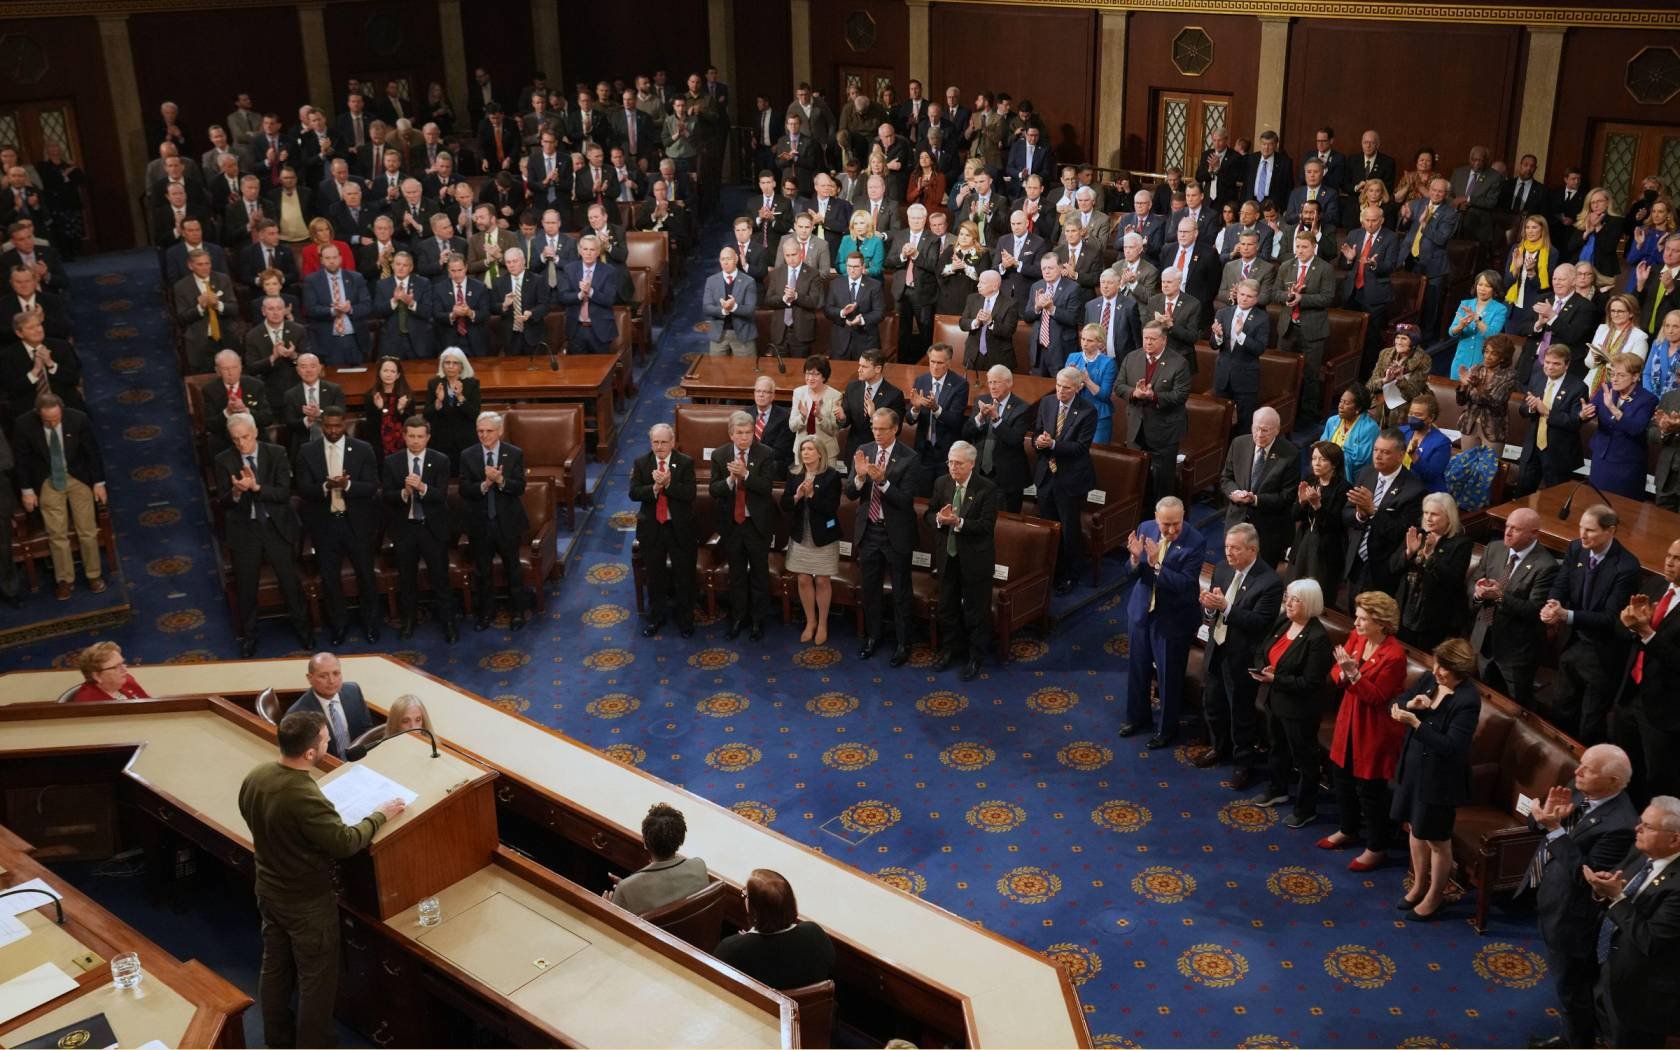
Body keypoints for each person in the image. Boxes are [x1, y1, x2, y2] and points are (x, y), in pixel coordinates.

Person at [238, 711, 403, 1049]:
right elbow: (344, 843)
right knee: (317, 982)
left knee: (276, 969)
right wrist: (379, 815)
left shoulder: (258, 775)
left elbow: (250, 813)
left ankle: (277, 1040)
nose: (329, 742)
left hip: (269, 890)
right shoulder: (302, 793)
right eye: (325, 739)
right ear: (311, 753)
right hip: (307, 905)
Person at [1522, 745, 1638, 1050]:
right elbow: (1540, 826)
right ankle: (1570, 1036)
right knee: (1567, 988)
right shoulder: (1579, 787)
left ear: (1613, 782)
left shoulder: (1622, 826)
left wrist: (1555, 829)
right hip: (1549, 897)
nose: (1577, 773)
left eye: (1587, 769)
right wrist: (1543, 820)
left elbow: (1584, 877)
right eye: (1580, 765)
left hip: (1573, 919)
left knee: (1572, 990)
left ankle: (1579, 1043)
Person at [1389, 638, 1483, 921]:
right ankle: (1419, 885)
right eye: (1437, 663)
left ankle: (1435, 895)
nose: (1436, 670)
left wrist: (1417, 723)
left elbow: (1452, 747)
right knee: (1415, 830)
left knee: (1437, 840)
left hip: (1440, 780)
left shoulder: (1468, 700)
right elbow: (1398, 700)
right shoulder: (1430, 679)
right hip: (1414, 770)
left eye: (1444, 667)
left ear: (1461, 671)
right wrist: (1409, 704)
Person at [1320, 591, 1409, 872]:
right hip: (1348, 719)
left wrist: (1354, 674)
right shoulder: (1357, 638)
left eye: (1362, 619)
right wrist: (1345, 673)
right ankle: (1347, 829)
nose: (1356, 624)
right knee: (1342, 778)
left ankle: (1376, 847)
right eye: (1356, 617)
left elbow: (1377, 696)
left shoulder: (1394, 655)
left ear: (1381, 623)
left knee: (1370, 790)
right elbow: (1336, 673)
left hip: (1374, 728)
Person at [1584, 796, 1680, 1048]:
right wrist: (1604, 889)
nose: (1637, 828)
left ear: (1674, 839)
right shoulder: (1643, 852)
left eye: (1647, 826)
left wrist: (1615, 897)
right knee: (1602, 1020)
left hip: (1641, 993)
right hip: (1610, 962)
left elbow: (1651, 941)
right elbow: (1621, 887)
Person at [1542, 505, 1642, 745]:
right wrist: (1552, 603)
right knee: (1561, 707)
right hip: (1572, 645)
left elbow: (1610, 618)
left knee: (1590, 722)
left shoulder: (1627, 567)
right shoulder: (1576, 548)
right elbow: (1561, 583)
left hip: (1602, 654)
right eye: (1581, 528)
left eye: (1590, 530)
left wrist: (1565, 615)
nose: (1583, 535)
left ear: (1611, 531)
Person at [1194, 524, 1283, 788]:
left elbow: (1259, 622)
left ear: (1252, 550)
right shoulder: (1221, 568)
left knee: (1240, 715)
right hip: (1216, 650)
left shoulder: (1270, 582)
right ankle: (1218, 748)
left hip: (1242, 658)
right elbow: (1211, 613)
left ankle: (1243, 764)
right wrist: (1210, 609)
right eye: (1226, 547)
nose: (1229, 553)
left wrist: (1226, 607)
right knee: (1213, 705)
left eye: (1235, 548)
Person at [1117, 497, 1207, 748]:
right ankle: (1137, 719)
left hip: (1172, 618)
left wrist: (1157, 565)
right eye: (1166, 524)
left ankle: (1167, 729)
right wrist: (1135, 560)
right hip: (1141, 612)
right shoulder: (1145, 529)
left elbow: (1186, 585)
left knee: (1169, 676)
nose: (1171, 530)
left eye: (1176, 524)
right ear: (1156, 518)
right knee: (1138, 668)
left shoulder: (1195, 541)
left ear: (1183, 517)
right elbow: (1131, 573)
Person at [1250, 579, 1335, 827]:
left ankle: (1306, 808)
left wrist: (1276, 677)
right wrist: (1262, 667)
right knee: (1277, 746)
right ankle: (1278, 789)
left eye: (1295, 599)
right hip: (1275, 700)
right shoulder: (1284, 621)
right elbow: (1263, 648)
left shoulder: (1317, 638)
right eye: (1288, 597)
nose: (1287, 602)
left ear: (1309, 603)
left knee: (1305, 758)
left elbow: (1310, 683)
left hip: (1300, 708)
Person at [294, 406, 380, 646]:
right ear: (322, 425)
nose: (333, 430)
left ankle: (371, 624)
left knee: (365, 575)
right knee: (330, 580)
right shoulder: (307, 451)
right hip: (325, 525)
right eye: (328, 426)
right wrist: (326, 486)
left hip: (357, 525)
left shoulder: (363, 450)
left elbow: (372, 486)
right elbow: (302, 488)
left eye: (337, 425)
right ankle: (339, 626)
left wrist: (347, 486)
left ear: (345, 424)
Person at [1467, 507, 1558, 711]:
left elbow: (1534, 610)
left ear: (1533, 534)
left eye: (1515, 529)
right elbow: (1474, 581)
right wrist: (1478, 592)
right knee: (1479, 698)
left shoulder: (1546, 565)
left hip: (1515, 652)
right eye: (1507, 526)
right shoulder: (1495, 548)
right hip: (1483, 641)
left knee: (1513, 707)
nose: (1507, 532)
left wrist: (1500, 596)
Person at [850, 407, 918, 664]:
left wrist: (882, 482)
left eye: (882, 429)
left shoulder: (909, 457)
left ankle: (903, 642)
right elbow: (850, 493)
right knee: (870, 590)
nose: (876, 434)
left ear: (895, 429)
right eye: (874, 429)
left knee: (901, 591)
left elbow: (905, 500)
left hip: (896, 534)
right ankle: (873, 637)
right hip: (868, 532)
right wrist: (858, 477)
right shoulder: (864, 451)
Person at [382, 416, 458, 644]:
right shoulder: (392, 462)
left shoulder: (441, 460)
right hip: (405, 529)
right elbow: (386, 496)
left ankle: (448, 623)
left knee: (440, 579)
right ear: (404, 436)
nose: (415, 441)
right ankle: (408, 622)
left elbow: (441, 495)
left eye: (420, 437)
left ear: (428, 438)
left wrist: (422, 487)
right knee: (406, 580)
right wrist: (404, 492)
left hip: (431, 529)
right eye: (411, 436)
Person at [926, 441, 997, 680]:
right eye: (950, 462)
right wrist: (938, 518)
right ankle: (951, 649)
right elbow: (929, 513)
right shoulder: (942, 483)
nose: (953, 467)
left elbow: (986, 526)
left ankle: (976, 657)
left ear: (971, 464)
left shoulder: (986, 488)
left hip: (975, 559)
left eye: (958, 463)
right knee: (947, 608)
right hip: (948, 557)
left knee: (976, 610)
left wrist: (959, 522)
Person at [1621, 539, 1680, 802]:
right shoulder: (1655, 585)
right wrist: (1631, 624)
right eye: (1668, 555)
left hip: (1664, 709)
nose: (1669, 562)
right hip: (1630, 693)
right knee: (1624, 767)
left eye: (1678, 558)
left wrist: (1646, 632)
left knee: (1657, 778)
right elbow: (1629, 631)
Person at [459, 412, 529, 632]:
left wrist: (500, 481)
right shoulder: (467, 455)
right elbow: (464, 489)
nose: (484, 435)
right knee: (483, 572)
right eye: (480, 431)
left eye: (489, 431)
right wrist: (484, 485)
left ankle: (517, 612)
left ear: (499, 431)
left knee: (512, 569)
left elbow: (519, 487)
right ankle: (486, 613)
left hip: (506, 522)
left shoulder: (514, 453)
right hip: (480, 523)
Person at [711, 412, 777, 640]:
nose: (744, 437)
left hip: (756, 525)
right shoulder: (720, 455)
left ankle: (758, 620)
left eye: (748, 433)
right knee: (737, 575)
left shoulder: (765, 453)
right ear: (731, 434)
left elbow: (767, 487)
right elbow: (713, 490)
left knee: (759, 574)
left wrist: (746, 474)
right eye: (739, 433)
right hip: (732, 525)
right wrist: (730, 480)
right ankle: (738, 617)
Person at [1033, 368, 1099, 591]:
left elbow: (1081, 448)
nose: (1061, 391)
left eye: (1067, 387)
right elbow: (1037, 433)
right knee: (1049, 527)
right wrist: (1038, 441)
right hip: (1046, 476)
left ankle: (1071, 575)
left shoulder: (1087, 411)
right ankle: (1052, 570)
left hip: (1070, 479)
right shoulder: (1047, 403)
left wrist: (1052, 444)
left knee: (1069, 530)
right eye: (1059, 385)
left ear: (1078, 388)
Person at [714, 869, 835, 991]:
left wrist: (744, 943)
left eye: (746, 895)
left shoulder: (731, 950)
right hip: (813, 1009)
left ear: (754, 909)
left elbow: (715, 987)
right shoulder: (815, 934)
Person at [1343, 429, 1427, 598]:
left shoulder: (1414, 490)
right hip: (1355, 561)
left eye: (1385, 452)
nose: (1378, 456)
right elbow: (1346, 513)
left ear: (1401, 455)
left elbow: (1400, 532)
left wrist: (1373, 511)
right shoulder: (1366, 474)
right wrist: (1361, 515)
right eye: (1376, 450)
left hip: (1382, 567)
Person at [631, 423, 696, 640]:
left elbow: (689, 493)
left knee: (683, 576)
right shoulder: (642, 463)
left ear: (672, 442)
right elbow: (634, 493)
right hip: (652, 529)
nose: (659, 447)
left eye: (663, 442)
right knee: (655, 576)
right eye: (655, 442)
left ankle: (685, 619)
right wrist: (655, 489)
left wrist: (668, 485)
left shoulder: (684, 463)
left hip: (678, 528)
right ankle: (656, 617)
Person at [780, 436, 842, 646]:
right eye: (803, 449)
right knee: (804, 579)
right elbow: (785, 504)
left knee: (823, 580)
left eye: (810, 449)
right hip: (801, 534)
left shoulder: (831, 476)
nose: (805, 452)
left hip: (824, 535)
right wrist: (797, 497)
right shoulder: (794, 474)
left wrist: (813, 495)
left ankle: (823, 623)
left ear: (820, 453)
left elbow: (831, 508)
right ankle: (811, 621)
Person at [1218, 407, 1299, 567]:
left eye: (1265, 430)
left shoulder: (1290, 454)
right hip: (1237, 521)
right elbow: (1226, 478)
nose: (1259, 435)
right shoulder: (1239, 443)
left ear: (1276, 430)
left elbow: (1287, 496)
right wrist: (1234, 492)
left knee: (1260, 577)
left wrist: (1255, 499)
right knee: (1232, 569)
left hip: (1268, 529)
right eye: (1256, 428)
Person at [1392, 492, 1473, 650]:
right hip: (1404, 610)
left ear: (1449, 517)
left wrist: (1430, 556)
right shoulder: (1417, 534)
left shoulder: (1461, 544)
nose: (1428, 518)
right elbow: (1392, 567)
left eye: (1434, 514)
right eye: (1426, 513)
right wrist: (1408, 552)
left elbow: (1452, 580)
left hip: (1434, 618)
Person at [606, 803, 710, 916]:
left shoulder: (625, 889)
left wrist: (607, 906)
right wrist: (630, 890)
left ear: (645, 843)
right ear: (681, 840)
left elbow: (611, 925)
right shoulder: (699, 866)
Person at [1515, 341, 1588, 496]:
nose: (1549, 367)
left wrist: (1547, 411)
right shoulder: (1537, 378)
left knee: (1554, 499)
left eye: (1556, 364)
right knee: (1521, 493)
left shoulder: (1578, 387)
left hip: (1558, 453)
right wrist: (1531, 407)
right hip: (1532, 449)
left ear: (1566, 365)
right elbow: (1522, 408)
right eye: (1547, 362)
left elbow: (1575, 422)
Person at [1277, 231, 1337, 418]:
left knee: (1310, 374)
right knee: (1284, 372)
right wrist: (1287, 297)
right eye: (1298, 246)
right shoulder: (1286, 266)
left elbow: (1327, 298)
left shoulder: (1325, 269)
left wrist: (1302, 298)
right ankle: (1284, 411)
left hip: (1312, 330)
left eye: (1304, 247)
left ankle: (1308, 414)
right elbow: (1274, 292)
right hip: (1288, 328)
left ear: (1314, 247)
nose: (1300, 250)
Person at [1584, 353, 1658, 500]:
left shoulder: (1648, 399)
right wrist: (1583, 414)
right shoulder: (1606, 389)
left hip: (1627, 465)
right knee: (1596, 504)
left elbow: (1636, 429)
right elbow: (1589, 413)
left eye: (1621, 375)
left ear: (1635, 377)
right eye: (1613, 374)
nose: (1615, 379)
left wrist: (1613, 408)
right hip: (1601, 459)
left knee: (1623, 511)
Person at [1287, 440, 1350, 605]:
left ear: (1334, 463)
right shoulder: (1310, 480)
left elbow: (1335, 525)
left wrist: (1317, 505)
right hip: (1304, 543)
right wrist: (1301, 502)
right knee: (1294, 591)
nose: (1316, 463)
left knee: (1316, 598)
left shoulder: (1343, 489)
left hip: (1326, 549)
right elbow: (1295, 516)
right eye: (1314, 459)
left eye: (1322, 459)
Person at [963, 364, 1033, 513]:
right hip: (979, 474)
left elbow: (1014, 439)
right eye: (990, 382)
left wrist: (996, 418)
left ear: (1009, 383)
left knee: (1006, 523)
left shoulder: (1022, 408)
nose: (992, 386)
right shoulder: (980, 401)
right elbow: (966, 433)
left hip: (1007, 478)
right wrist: (980, 417)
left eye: (996, 382)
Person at [284, 652, 372, 760]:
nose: (331, 681)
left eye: (336, 673)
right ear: (309, 678)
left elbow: (367, 729)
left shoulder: (353, 690)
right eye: (323, 676)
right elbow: (303, 754)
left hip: (360, 759)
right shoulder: (298, 714)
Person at [907, 343, 969, 495]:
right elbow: (909, 420)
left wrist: (936, 409)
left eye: (939, 363)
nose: (935, 366)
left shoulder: (959, 385)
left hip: (946, 455)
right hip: (923, 452)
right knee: (921, 496)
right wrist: (915, 408)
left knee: (943, 498)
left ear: (948, 363)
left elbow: (956, 420)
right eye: (932, 362)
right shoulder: (921, 381)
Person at [1209, 278, 1268, 430]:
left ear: (1256, 299)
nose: (1244, 298)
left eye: (1249, 296)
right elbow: (1213, 345)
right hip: (1222, 376)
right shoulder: (1223, 313)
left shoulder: (1262, 318)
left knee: (1244, 423)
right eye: (1242, 294)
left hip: (1245, 379)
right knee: (1219, 422)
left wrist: (1241, 335)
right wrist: (1218, 336)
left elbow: (1259, 349)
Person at [1456, 334, 1520, 455]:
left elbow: (1496, 402)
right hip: (1470, 425)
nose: (1487, 356)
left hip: (1494, 429)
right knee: (1466, 466)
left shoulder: (1509, 376)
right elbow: (1461, 402)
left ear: (1503, 358)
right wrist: (1463, 386)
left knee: (1488, 470)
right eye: (1486, 351)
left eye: (1494, 354)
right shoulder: (1476, 369)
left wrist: (1478, 387)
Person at [1364, 325, 1431, 429]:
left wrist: (1400, 379)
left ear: (1413, 341)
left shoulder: (1423, 360)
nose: (1399, 342)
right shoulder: (1385, 354)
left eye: (1404, 338)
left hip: (1406, 403)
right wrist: (1385, 380)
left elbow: (1413, 393)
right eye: (1397, 338)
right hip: (1381, 400)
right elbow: (1369, 386)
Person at [424, 348, 481, 468]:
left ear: (462, 366)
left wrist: (460, 397)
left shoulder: (472, 384)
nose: (450, 366)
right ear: (442, 365)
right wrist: (438, 401)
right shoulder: (434, 383)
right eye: (447, 362)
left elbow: (474, 414)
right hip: (440, 441)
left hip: (465, 441)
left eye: (455, 363)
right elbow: (426, 415)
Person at [1447, 270, 1510, 376]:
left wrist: (1477, 319)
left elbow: (1493, 335)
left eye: (1487, 286)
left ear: (1494, 289)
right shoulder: (1465, 303)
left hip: (1482, 364)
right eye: (1480, 284)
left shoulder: (1500, 309)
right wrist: (1460, 326)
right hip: (1460, 363)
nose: (1482, 289)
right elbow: (1451, 332)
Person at [765, 237, 821, 356]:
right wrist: (784, 298)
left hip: (801, 332)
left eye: (794, 254)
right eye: (787, 255)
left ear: (801, 253)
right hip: (780, 332)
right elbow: (768, 300)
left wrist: (796, 296)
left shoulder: (813, 274)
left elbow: (814, 302)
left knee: (801, 370)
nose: (791, 259)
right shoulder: (776, 273)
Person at [823, 252, 884, 361]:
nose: (852, 270)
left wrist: (861, 320)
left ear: (863, 267)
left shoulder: (874, 285)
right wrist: (842, 313)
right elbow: (828, 310)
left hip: (866, 343)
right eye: (849, 266)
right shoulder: (835, 284)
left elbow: (879, 313)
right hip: (840, 342)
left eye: (856, 266)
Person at [1585, 293, 1649, 393]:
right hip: (1591, 384)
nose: (1615, 314)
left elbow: (1633, 370)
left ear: (1631, 313)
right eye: (1613, 311)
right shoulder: (1602, 329)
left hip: (1619, 389)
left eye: (1620, 311)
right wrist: (1595, 359)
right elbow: (1588, 363)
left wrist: (1609, 358)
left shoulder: (1639, 336)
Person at [1504, 214, 1555, 335]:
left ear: (1543, 230)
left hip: (1531, 310)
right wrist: (1516, 268)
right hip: (1512, 306)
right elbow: (1506, 282)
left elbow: (1546, 288)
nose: (1530, 231)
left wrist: (1532, 272)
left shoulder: (1551, 252)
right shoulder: (1516, 249)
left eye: (1534, 227)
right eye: (1527, 227)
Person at [1067, 324, 1119, 443]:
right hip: (1075, 414)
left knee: (1097, 454)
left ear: (1100, 343)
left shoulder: (1109, 363)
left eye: (1089, 340)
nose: (1084, 343)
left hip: (1099, 416)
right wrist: (1072, 381)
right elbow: (1065, 391)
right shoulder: (1072, 357)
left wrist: (1086, 380)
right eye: (1083, 339)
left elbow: (1104, 396)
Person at [704, 246, 758, 357]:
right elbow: (707, 307)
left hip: (743, 335)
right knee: (716, 372)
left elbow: (750, 310)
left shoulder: (749, 281)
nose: (725, 262)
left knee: (746, 372)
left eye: (728, 258)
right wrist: (723, 310)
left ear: (736, 259)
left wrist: (733, 307)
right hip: (719, 336)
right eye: (722, 259)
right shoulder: (711, 281)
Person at [1320, 382, 1380, 481]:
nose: (1340, 406)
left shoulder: (1370, 428)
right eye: (1341, 401)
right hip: (1327, 472)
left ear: (1358, 409)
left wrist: (1332, 456)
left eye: (1346, 403)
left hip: (1353, 479)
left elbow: (1361, 460)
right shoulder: (1332, 421)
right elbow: (1322, 447)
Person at [364, 357, 413, 458]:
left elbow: (412, 424)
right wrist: (379, 409)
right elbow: (371, 427)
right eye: (385, 370)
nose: (388, 374)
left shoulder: (406, 395)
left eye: (392, 371)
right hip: (380, 446)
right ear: (379, 373)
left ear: (398, 375)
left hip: (402, 445)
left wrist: (401, 410)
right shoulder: (371, 395)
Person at [70, 642, 148, 701]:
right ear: (97, 676)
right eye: (116, 667)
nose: (125, 670)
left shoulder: (128, 681)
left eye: (122, 663)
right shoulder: (87, 701)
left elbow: (148, 706)